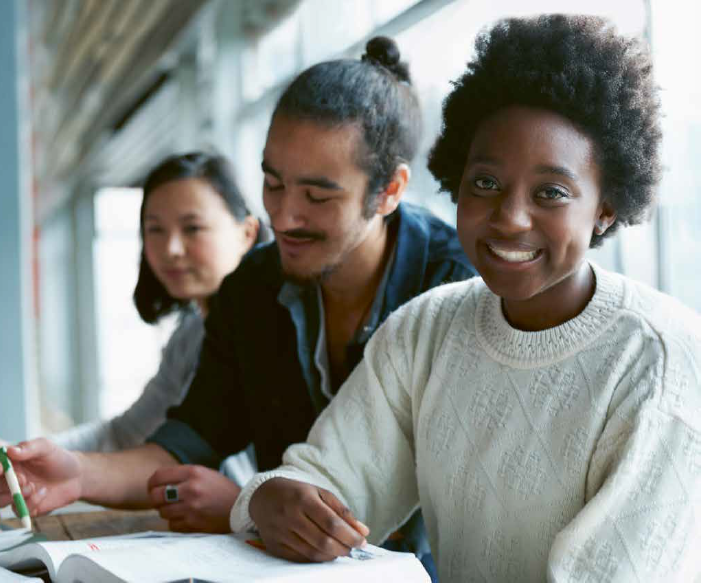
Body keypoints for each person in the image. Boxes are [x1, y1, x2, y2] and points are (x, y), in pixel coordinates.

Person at [231, 14, 701, 582]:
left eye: (551, 192)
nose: (509, 217)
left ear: (605, 206)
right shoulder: (425, 329)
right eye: (485, 183)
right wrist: (272, 499)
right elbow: (330, 481)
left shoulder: (663, 358)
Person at [0, 36, 474, 575]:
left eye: (317, 195)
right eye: (272, 182)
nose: (284, 217)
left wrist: (244, 507)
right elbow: (189, 439)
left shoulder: (455, 291)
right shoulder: (254, 286)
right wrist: (75, 474)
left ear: (390, 190)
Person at [49, 152, 261, 456]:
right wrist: (24, 456)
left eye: (192, 228)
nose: (171, 249)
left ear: (247, 233)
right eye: (155, 230)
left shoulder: (263, 329)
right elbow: (125, 434)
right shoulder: (189, 334)